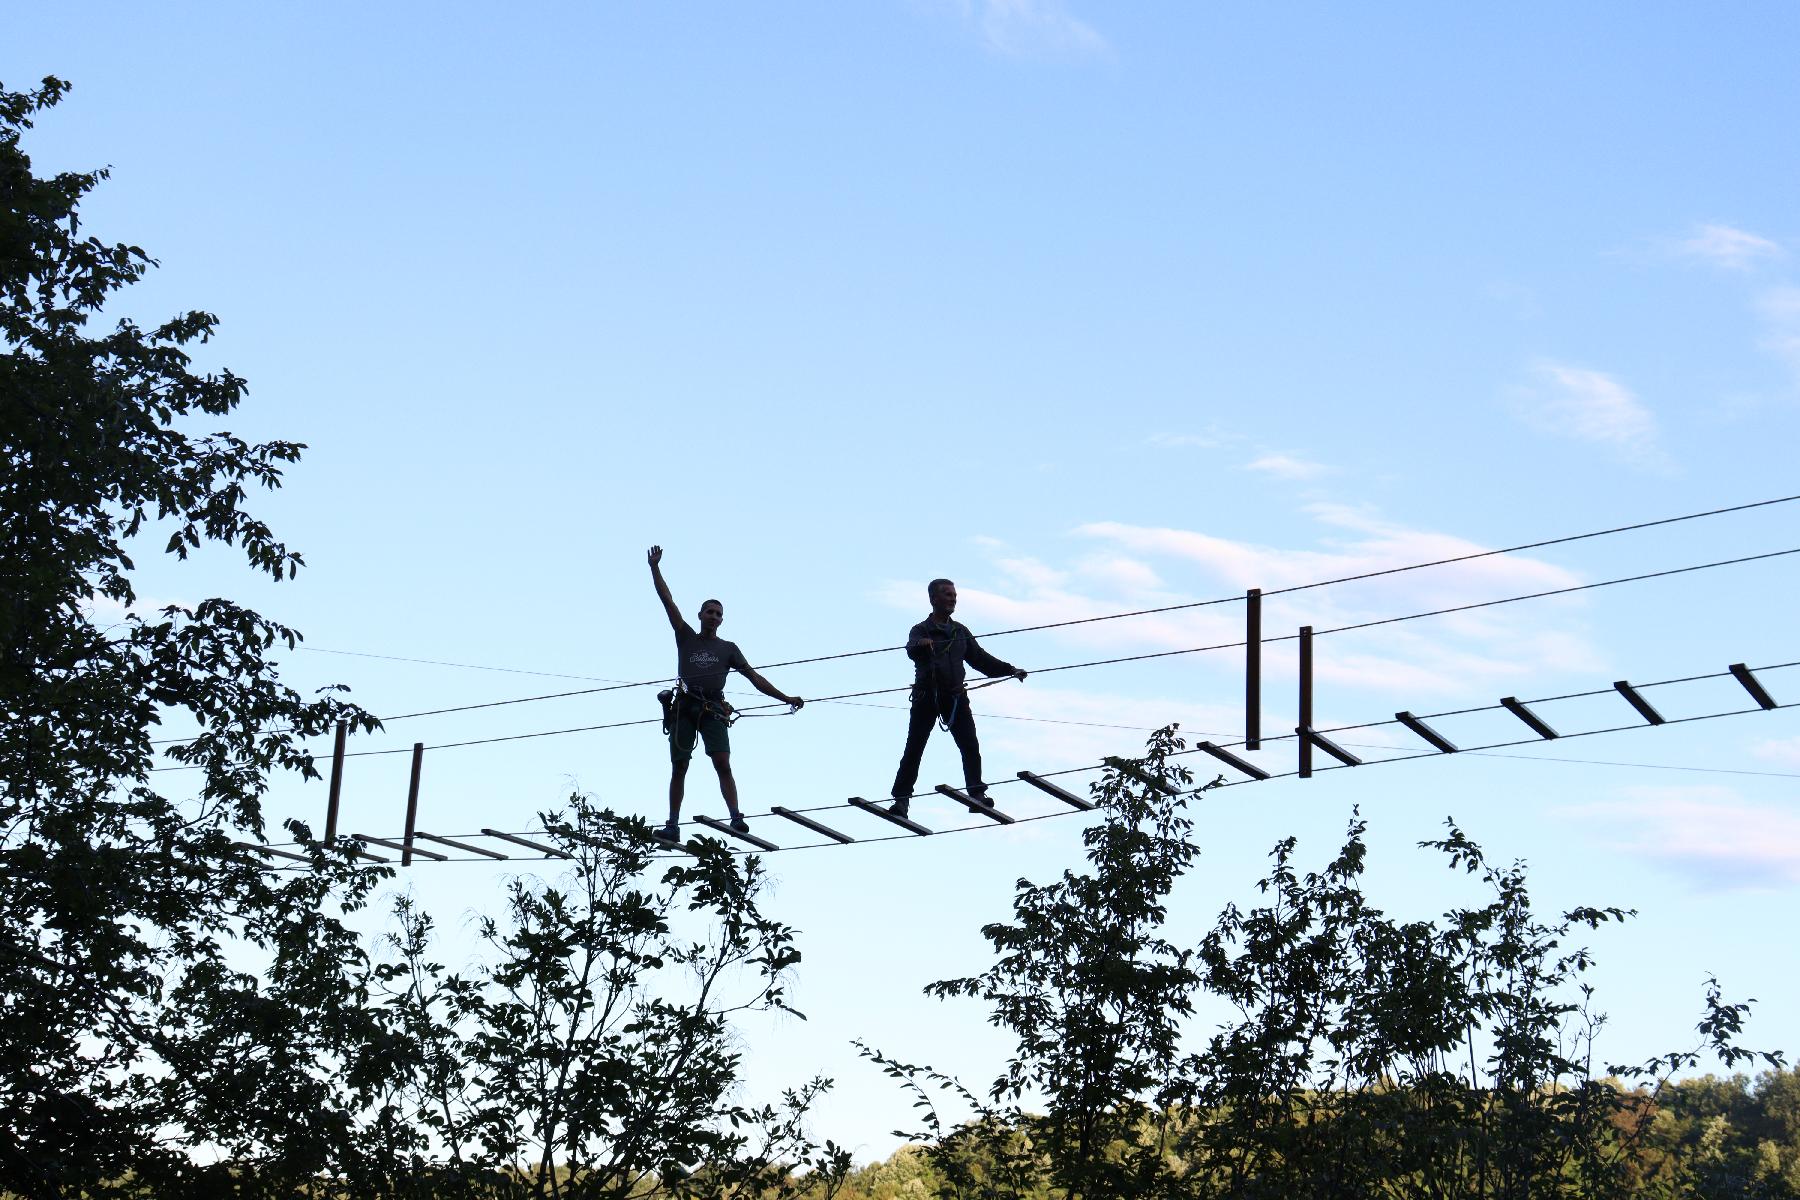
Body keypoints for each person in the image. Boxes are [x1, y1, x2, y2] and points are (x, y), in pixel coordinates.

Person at [648, 545, 802, 841]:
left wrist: (786, 698)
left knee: (722, 762)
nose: (714, 616)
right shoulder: (685, 636)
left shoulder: (728, 649)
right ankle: (672, 825)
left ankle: (735, 816)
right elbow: (667, 601)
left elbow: (755, 678)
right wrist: (655, 568)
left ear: (722, 620)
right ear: (701, 615)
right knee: (679, 766)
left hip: (712, 709)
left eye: (719, 614)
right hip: (684, 706)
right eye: (710, 612)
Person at [888, 578, 1026, 817]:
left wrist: (1009, 669)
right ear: (933, 599)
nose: (952, 598)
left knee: (970, 745)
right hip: (927, 696)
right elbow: (911, 649)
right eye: (947, 594)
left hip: (955, 697)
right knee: (914, 748)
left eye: (954, 594)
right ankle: (901, 800)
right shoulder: (921, 630)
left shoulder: (960, 632)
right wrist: (922, 645)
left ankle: (977, 794)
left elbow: (981, 659)